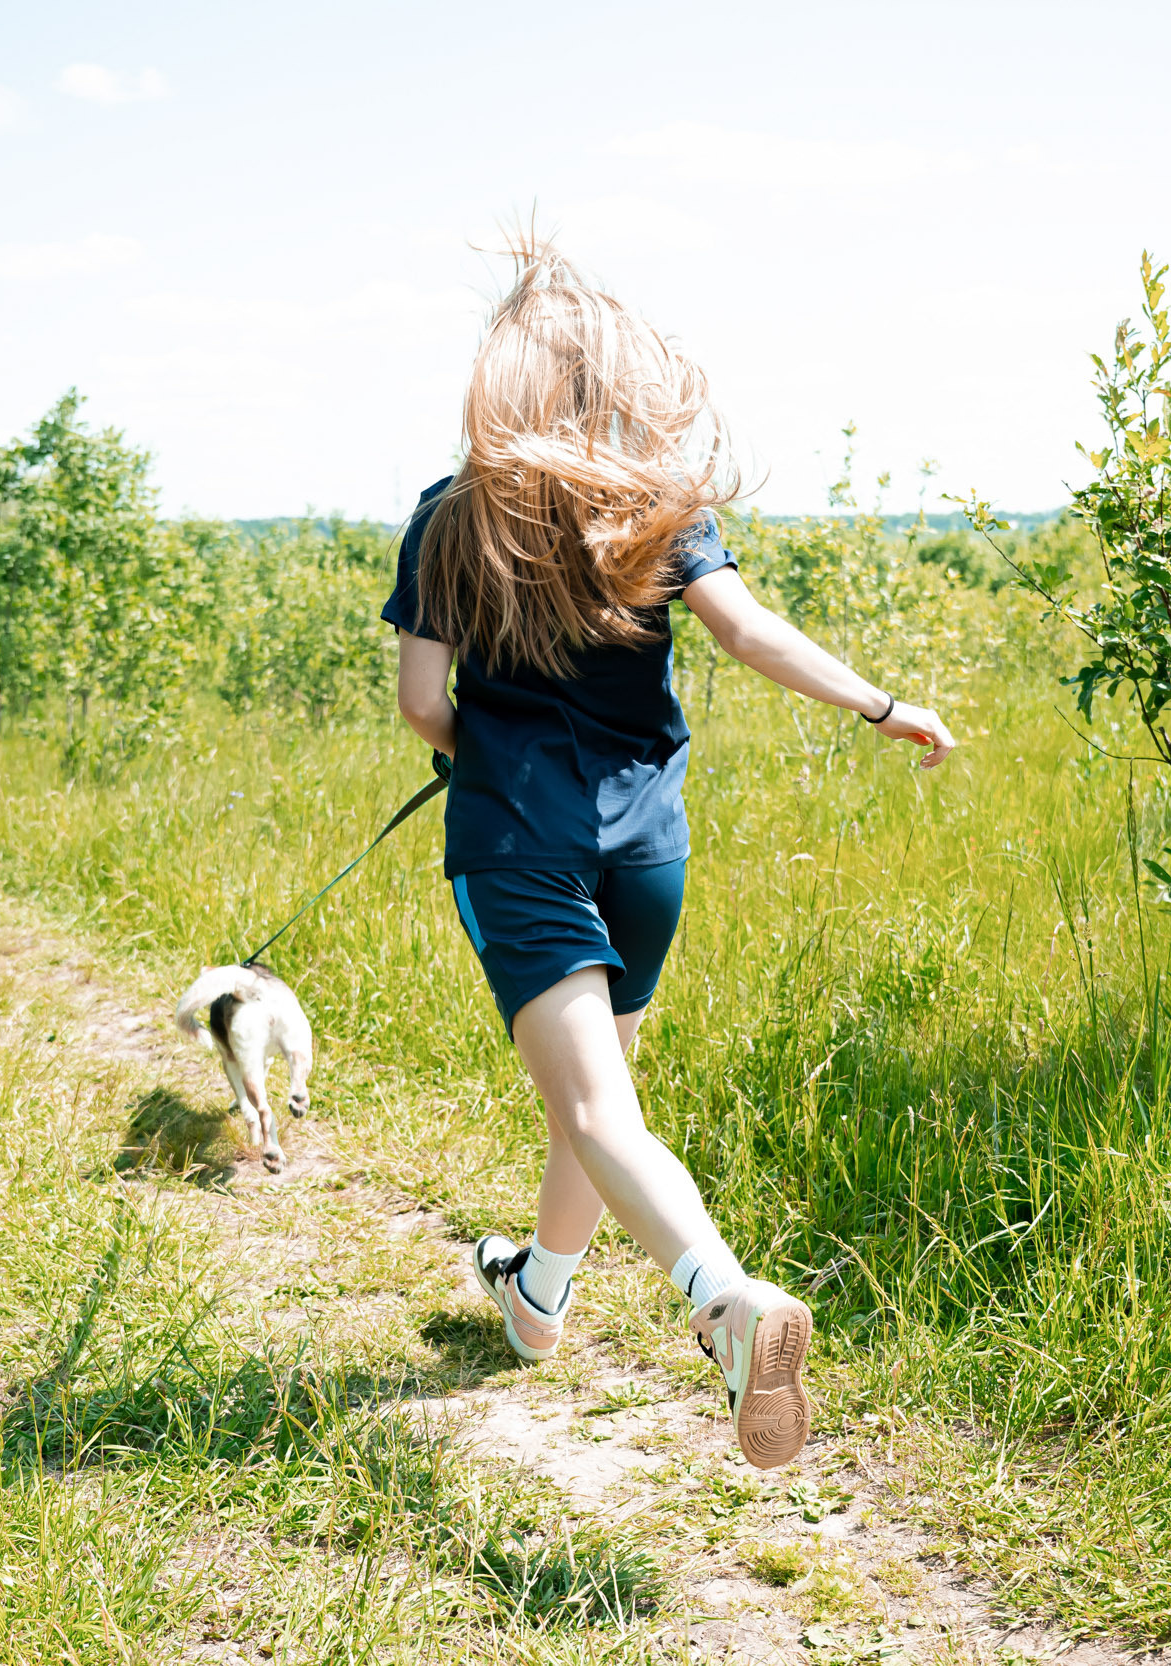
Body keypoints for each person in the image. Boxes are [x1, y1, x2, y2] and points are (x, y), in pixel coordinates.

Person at [387, 242, 956, 1471]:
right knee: (601, 1109)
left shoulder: (450, 515)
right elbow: (749, 632)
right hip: (646, 847)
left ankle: (723, 1299)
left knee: (593, 1107)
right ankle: (535, 1302)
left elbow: (423, 707)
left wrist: (482, 741)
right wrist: (879, 704)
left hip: (518, 839)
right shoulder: (659, 511)